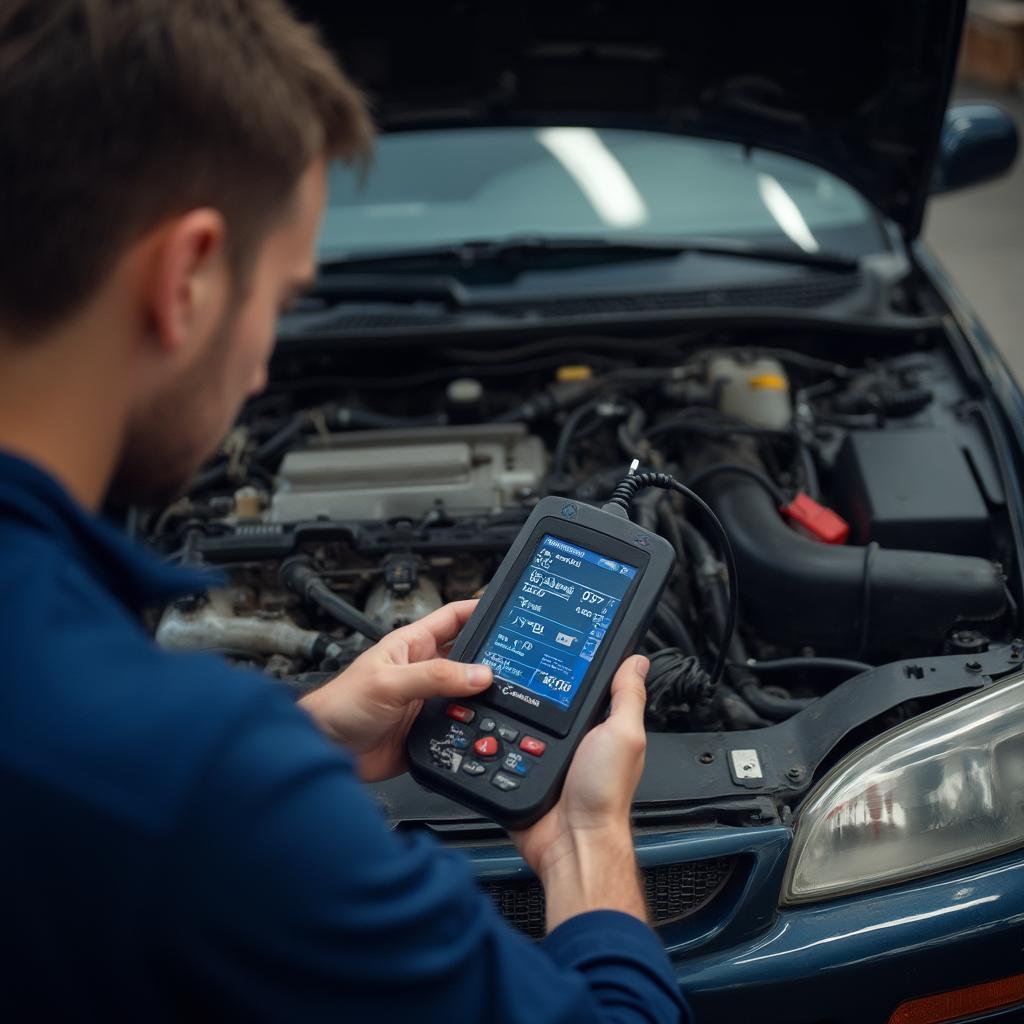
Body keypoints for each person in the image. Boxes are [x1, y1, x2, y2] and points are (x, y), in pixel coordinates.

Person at [0, 3, 688, 1021]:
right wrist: (586, 845)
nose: (267, 363)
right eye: (279, 300)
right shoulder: (203, 785)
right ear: (187, 277)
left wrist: (307, 728)